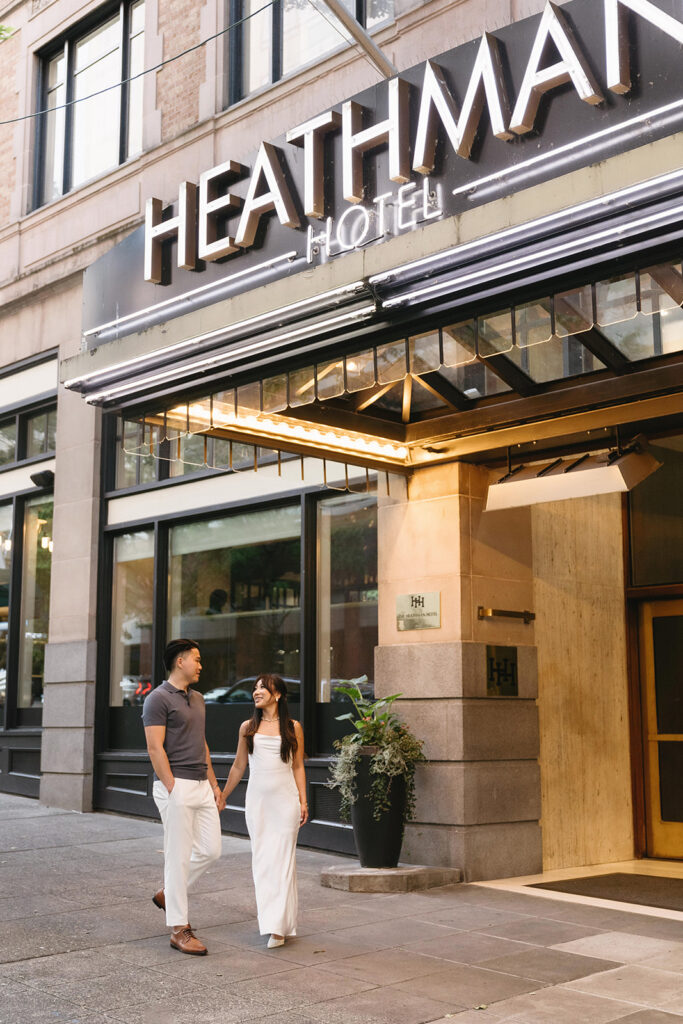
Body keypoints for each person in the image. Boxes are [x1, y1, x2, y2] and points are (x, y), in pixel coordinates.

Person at [142, 638, 223, 956]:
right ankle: (179, 929)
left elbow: (200, 743)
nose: (201, 665)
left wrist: (214, 785)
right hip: (176, 785)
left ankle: (166, 894)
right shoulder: (157, 699)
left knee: (212, 850)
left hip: (201, 784)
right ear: (180, 661)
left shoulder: (199, 699)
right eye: (197, 659)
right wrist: (172, 787)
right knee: (177, 857)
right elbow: (154, 747)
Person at [218, 674, 308, 948]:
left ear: (277, 694)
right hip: (257, 804)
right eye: (254, 688)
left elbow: (298, 766)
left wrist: (304, 802)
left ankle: (278, 929)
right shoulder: (248, 727)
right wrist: (222, 796)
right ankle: (275, 922)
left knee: (283, 862)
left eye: (262, 688)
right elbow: (238, 766)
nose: (256, 692)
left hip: (286, 803)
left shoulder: (294, 727)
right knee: (263, 862)